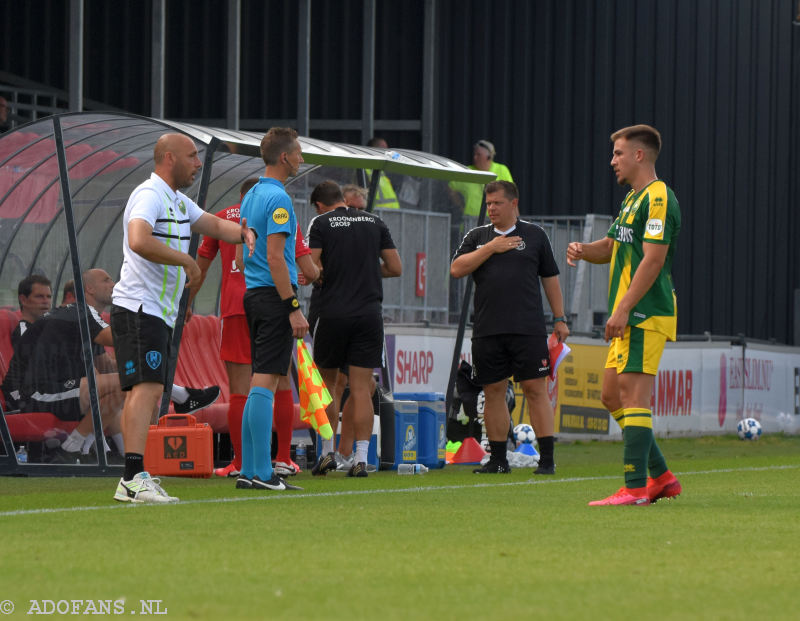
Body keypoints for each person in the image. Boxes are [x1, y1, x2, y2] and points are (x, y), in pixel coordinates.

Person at [110, 132, 256, 504]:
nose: (197, 164)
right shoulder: (149, 194)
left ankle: (134, 477)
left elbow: (215, 225)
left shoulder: (177, 200)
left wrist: (245, 232)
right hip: (139, 307)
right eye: (192, 156)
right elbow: (139, 239)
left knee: (147, 389)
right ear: (169, 158)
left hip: (154, 311)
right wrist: (187, 260)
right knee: (146, 389)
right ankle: (132, 478)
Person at [567, 124, 682, 506]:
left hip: (645, 313)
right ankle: (662, 477)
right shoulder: (632, 199)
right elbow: (611, 246)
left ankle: (634, 489)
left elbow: (653, 260)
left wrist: (623, 308)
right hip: (632, 313)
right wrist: (584, 249)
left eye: (618, 153)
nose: (612, 160)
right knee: (610, 395)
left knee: (634, 398)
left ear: (638, 155)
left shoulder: (659, 197)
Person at [190, 177, 318, 479]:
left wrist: (187, 304)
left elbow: (202, 264)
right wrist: (309, 278)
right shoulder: (278, 210)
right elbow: (304, 263)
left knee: (239, 389)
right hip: (274, 299)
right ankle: (283, 457)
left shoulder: (223, 218)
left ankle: (240, 461)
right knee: (279, 380)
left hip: (238, 305)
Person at [450, 180, 569, 474]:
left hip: (527, 328)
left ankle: (547, 460)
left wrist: (560, 317)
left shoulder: (535, 235)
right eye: (488, 204)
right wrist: (491, 247)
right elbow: (457, 269)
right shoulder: (477, 236)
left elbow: (550, 278)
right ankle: (499, 460)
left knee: (534, 389)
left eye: (497, 203)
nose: (491, 209)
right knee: (493, 391)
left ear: (513, 204)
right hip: (487, 329)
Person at [308, 180, 402, 477]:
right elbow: (395, 267)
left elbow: (312, 267)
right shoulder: (375, 222)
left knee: (328, 386)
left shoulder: (321, 222)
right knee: (361, 389)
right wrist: (367, 272)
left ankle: (326, 454)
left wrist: (324, 275)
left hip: (332, 313)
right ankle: (361, 458)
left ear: (320, 204)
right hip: (368, 313)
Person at [233, 126, 307, 492]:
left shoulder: (250, 196)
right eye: (298, 153)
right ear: (284, 157)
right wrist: (292, 305)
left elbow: (243, 256)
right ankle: (263, 472)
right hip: (274, 297)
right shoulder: (279, 200)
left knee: (259, 380)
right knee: (267, 380)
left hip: (254, 294)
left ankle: (249, 469)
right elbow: (277, 258)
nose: (301, 159)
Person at [18, 269, 124, 463]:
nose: (113, 284)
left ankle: (121, 454)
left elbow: (102, 367)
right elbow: (117, 339)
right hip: (39, 393)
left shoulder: (84, 316)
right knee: (127, 382)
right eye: (107, 280)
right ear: (89, 289)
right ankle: (76, 446)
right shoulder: (80, 312)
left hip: (61, 388)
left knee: (123, 388)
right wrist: (143, 319)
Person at [449, 139, 514, 217]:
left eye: (478, 155)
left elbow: (511, 195)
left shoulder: (502, 170)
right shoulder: (467, 171)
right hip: (470, 221)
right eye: (474, 154)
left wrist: (516, 222)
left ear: (489, 157)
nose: (474, 157)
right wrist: (460, 206)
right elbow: (450, 187)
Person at [11, 275, 52, 349]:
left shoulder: (46, 329)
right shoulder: (25, 333)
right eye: (39, 296)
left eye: (49, 297)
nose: (46, 301)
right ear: (23, 300)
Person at [366, 137, 400, 209]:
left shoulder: (380, 170)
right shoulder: (364, 170)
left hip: (392, 213)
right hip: (378, 213)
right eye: (383, 148)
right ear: (373, 150)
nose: (387, 152)